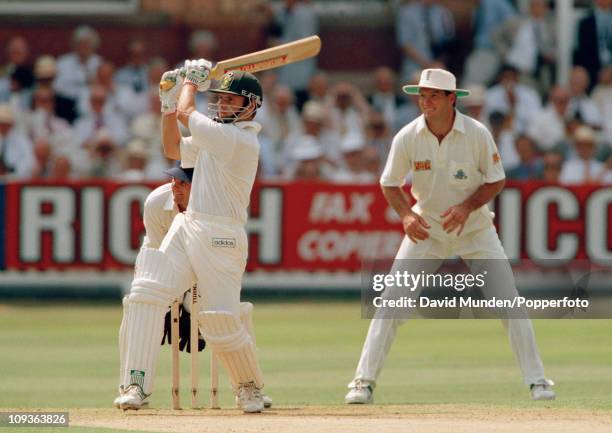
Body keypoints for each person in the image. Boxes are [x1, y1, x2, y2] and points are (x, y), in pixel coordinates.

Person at [344, 68, 555, 404]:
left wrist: (467, 207)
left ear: (451, 98)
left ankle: (538, 381)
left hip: (475, 230)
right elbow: (389, 182)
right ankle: (362, 382)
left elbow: (495, 179)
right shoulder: (408, 136)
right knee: (391, 304)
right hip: (427, 230)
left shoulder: (476, 133)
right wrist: (406, 214)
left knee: (509, 303)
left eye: (433, 96)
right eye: (422, 96)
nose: (425, 102)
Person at [115, 60, 267, 413]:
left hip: (222, 236)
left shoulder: (238, 141)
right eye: (222, 99)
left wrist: (189, 85)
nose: (224, 105)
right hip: (189, 225)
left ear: (251, 106)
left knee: (220, 320)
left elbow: (188, 112)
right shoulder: (214, 136)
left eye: (232, 101)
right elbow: (173, 147)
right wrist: (168, 105)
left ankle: (249, 386)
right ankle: (135, 384)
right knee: (145, 292)